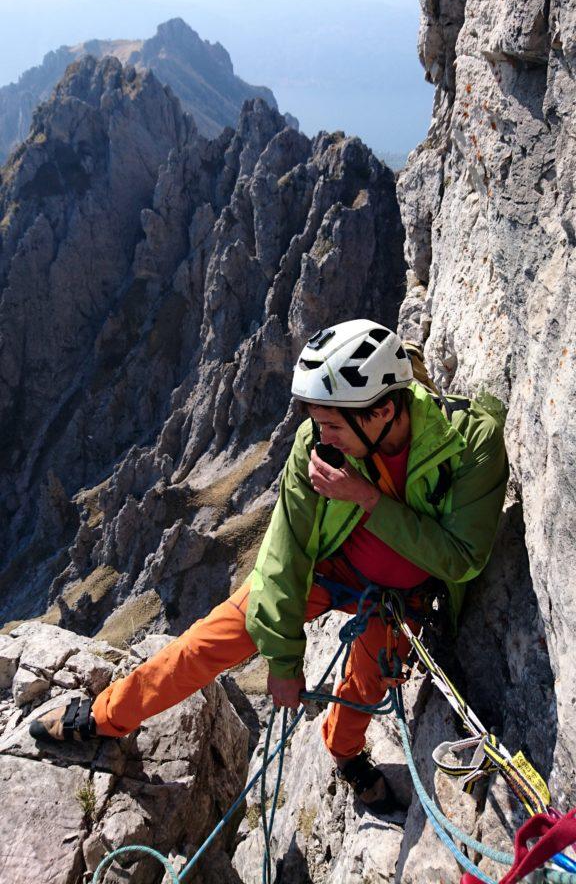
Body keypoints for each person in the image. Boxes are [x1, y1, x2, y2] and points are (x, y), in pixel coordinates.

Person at [31, 319, 508, 813]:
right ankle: (102, 716)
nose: (317, 436)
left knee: (366, 684)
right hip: (328, 569)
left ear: (382, 411)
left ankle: (346, 757)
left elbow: (462, 560)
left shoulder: (470, 443)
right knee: (204, 644)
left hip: (395, 600)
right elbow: (286, 551)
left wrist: (366, 498)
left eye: (332, 425)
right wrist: (283, 662)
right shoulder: (315, 446)